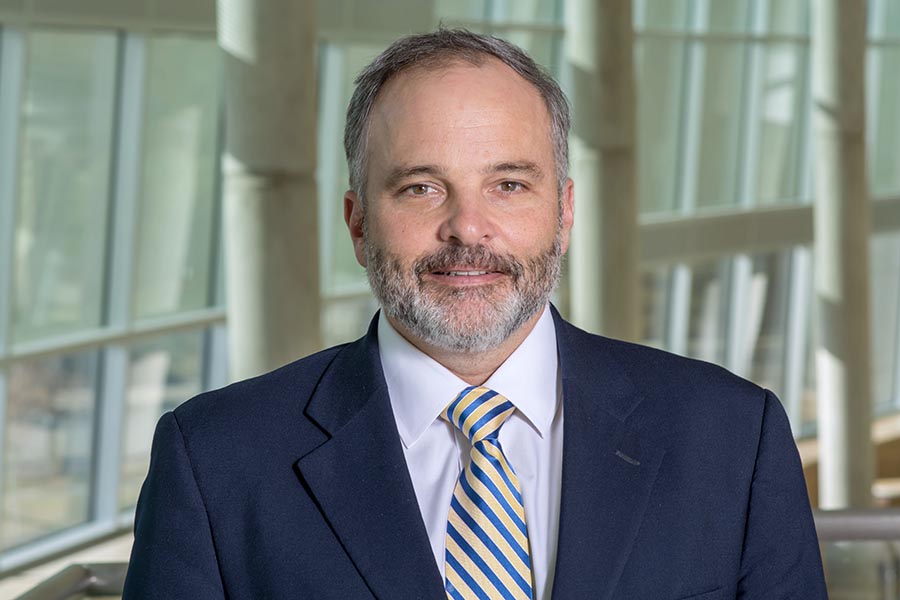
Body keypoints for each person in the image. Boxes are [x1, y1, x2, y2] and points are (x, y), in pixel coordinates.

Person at [123, 29, 827, 599]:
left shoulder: (732, 438)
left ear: (565, 212)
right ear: (359, 223)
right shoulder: (215, 462)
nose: (468, 228)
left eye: (509, 184)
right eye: (422, 188)